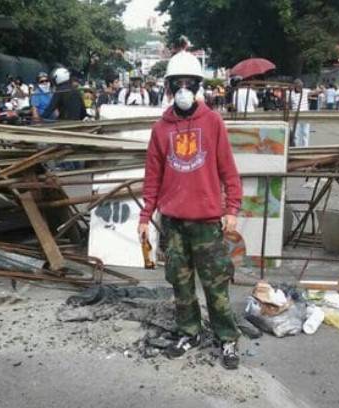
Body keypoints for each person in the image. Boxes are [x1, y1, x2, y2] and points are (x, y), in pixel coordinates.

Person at [137, 50, 242, 370]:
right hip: (173, 224)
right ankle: (189, 332)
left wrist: (232, 209)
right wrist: (145, 218)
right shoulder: (161, 129)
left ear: (198, 86)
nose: (183, 89)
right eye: (177, 84)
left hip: (208, 222)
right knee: (180, 285)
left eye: (189, 83)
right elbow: (152, 177)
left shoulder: (212, 122)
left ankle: (227, 337)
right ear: (168, 87)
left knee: (216, 285)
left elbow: (229, 172)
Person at [290, 79, 311, 146]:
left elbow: (315, 92)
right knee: (296, 134)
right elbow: (286, 101)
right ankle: (296, 148)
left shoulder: (305, 91)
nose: (300, 87)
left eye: (301, 86)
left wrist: (320, 89)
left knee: (305, 133)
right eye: (298, 86)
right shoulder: (291, 93)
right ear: (295, 86)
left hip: (305, 115)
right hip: (295, 115)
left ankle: (305, 148)